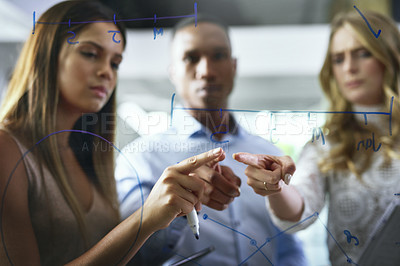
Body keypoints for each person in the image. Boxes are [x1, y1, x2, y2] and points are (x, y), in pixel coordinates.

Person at [0, 1, 228, 265]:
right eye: (89, 53)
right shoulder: (7, 149)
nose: (106, 72)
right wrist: (144, 220)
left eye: (115, 62)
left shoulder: (91, 155)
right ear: (47, 55)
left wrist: (172, 204)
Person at [115, 15, 306, 265]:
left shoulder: (267, 153)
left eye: (218, 56)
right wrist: (179, 205)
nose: (206, 71)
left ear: (234, 66)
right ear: (173, 71)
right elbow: (134, 256)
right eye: (191, 58)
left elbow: (288, 246)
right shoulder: (139, 159)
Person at [234, 11, 400, 265]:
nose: (349, 68)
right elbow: (301, 209)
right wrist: (276, 188)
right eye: (338, 59)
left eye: (363, 53)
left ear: (388, 57)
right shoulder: (326, 143)